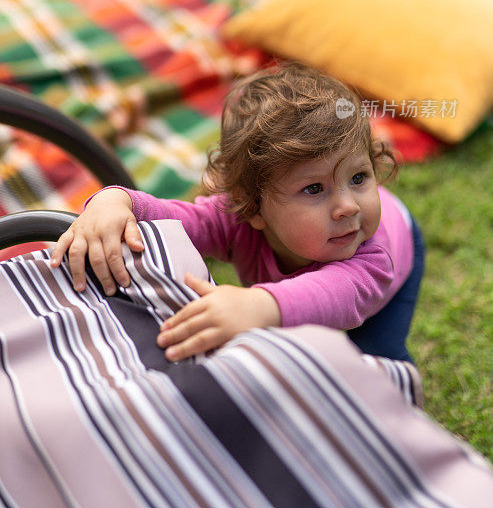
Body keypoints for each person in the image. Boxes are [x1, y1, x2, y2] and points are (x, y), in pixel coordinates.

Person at [51, 63, 424, 363]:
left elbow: (335, 296)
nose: (349, 206)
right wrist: (115, 202)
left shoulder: (373, 254)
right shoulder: (235, 218)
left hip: (395, 272)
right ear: (253, 205)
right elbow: (176, 220)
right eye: (314, 188)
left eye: (359, 177)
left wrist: (259, 304)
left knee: (376, 359)